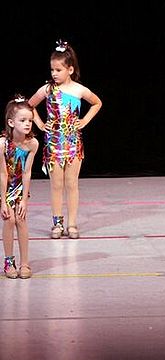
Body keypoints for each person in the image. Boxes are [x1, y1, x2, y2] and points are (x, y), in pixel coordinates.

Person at [29, 39, 102, 239]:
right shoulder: (47, 89)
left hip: (73, 142)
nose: (54, 73)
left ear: (70, 69)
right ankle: (57, 223)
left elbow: (97, 103)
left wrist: (85, 120)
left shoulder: (79, 89)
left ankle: (72, 224)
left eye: (58, 70)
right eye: (52, 69)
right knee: (56, 185)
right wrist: (40, 124)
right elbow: (30, 105)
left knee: (72, 184)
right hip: (53, 143)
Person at [1, 95, 39, 279]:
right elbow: (3, 174)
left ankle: (25, 263)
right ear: (11, 122)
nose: (27, 124)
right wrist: (3, 201)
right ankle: (8, 261)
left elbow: (26, 173)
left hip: (19, 186)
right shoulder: (2, 144)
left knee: (21, 219)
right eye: (22, 120)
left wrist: (24, 200)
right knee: (9, 220)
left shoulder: (32, 144)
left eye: (30, 120)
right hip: (4, 186)